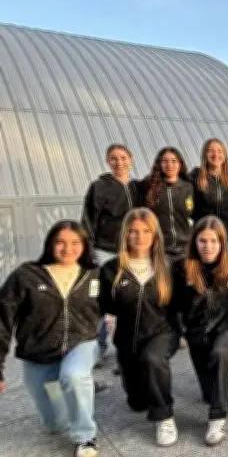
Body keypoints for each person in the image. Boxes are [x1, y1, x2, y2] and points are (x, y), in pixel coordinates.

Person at [0, 221, 101, 457]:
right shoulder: (26, 275)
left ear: (84, 246)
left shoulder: (93, 274)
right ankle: (80, 390)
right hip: (39, 352)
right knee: (55, 425)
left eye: (75, 243)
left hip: (81, 342)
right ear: (50, 244)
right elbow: (2, 319)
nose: (68, 249)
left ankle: (85, 436)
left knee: (74, 376)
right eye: (61, 242)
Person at [98, 208, 179, 446]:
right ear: (125, 234)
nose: (139, 236)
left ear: (155, 235)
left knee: (153, 359)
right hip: (127, 338)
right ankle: (140, 391)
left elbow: (184, 302)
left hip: (163, 331)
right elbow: (99, 306)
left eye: (146, 231)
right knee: (137, 402)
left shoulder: (168, 266)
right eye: (133, 231)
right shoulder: (111, 269)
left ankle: (165, 417)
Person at [170, 216, 228, 445]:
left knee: (222, 353)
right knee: (208, 394)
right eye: (202, 241)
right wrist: (181, 330)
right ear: (195, 242)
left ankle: (217, 417)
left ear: (223, 242)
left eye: (214, 241)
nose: (208, 247)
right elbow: (173, 305)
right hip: (198, 331)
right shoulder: (182, 268)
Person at [81, 144, 137, 362]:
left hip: (133, 252)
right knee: (101, 299)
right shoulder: (99, 187)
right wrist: (89, 252)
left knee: (130, 298)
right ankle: (98, 347)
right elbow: (88, 220)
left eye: (123, 157)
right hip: (106, 250)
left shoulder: (137, 187)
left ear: (131, 159)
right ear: (108, 162)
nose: (119, 162)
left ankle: (130, 345)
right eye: (113, 158)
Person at [138, 147, 194, 261]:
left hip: (185, 248)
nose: (169, 165)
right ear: (159, 164)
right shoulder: (148, 186)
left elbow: (193, 213)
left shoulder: (188, 187)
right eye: (165, 161)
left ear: (180, 164)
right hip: (159, 249)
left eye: (174, 161)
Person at [190, 138, 228, 253]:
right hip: (204, 238)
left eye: (219, 151)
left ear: (225, 155)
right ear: (205, 154)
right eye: (210, 151)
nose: (215, 154)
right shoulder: (195, 179)